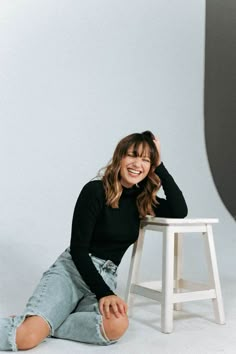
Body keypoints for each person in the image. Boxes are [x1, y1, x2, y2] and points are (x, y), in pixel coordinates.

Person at [0, 131, 188, 351]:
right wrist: (105, 293)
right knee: (27, 339)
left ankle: (49, 321)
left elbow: (179, 210)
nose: (138, 164)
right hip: (72, 271)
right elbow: (78, 251)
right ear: (120, 157)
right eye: (132, 155)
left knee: (117, 325)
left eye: (146, 160)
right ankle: (35, 327)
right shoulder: (95, 190)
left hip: (106, 276)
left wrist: (161, 165)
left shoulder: (142, 200)